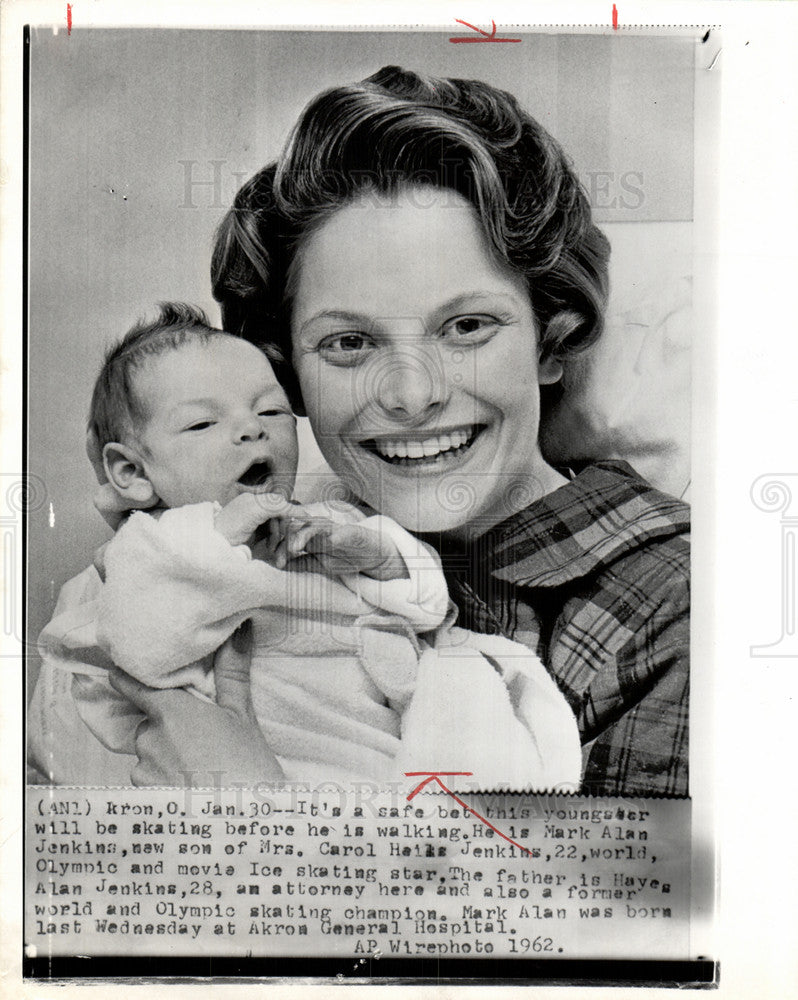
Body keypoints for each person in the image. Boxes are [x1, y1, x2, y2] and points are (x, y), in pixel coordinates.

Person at [33, 65, 689, 796]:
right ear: (289, 375)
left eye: (467, 327)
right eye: (348, 343)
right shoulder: (263, 542)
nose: (410, 396)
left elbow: (621, 909)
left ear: (549, 338)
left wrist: (252, 825)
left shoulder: (678, 609)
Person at [30, 303, 582, 790]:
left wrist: (377, 557)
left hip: (387, 752)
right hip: (280, 760)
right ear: (130, 470)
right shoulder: (150, 552)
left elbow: (430, 603)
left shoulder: (329, 519)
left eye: (270, 411)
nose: (252, 430)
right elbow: (140, 646)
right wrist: (218, 542)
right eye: (202, 423)